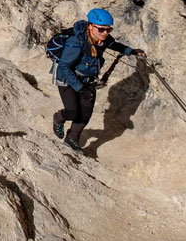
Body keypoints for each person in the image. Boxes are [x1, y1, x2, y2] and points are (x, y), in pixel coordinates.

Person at [52, 8, 146, 153]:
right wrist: (79, 88)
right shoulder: (75, 42)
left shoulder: (103, 39)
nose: (105, 33)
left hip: (88, 80)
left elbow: (114, 45)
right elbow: (64, 67)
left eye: (108, 30)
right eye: (101, 29)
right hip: (68, 79)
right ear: (91, 26)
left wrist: (131, 51)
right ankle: (58, 118)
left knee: (85, 113)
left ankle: (72, 139)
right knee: (72, 111)